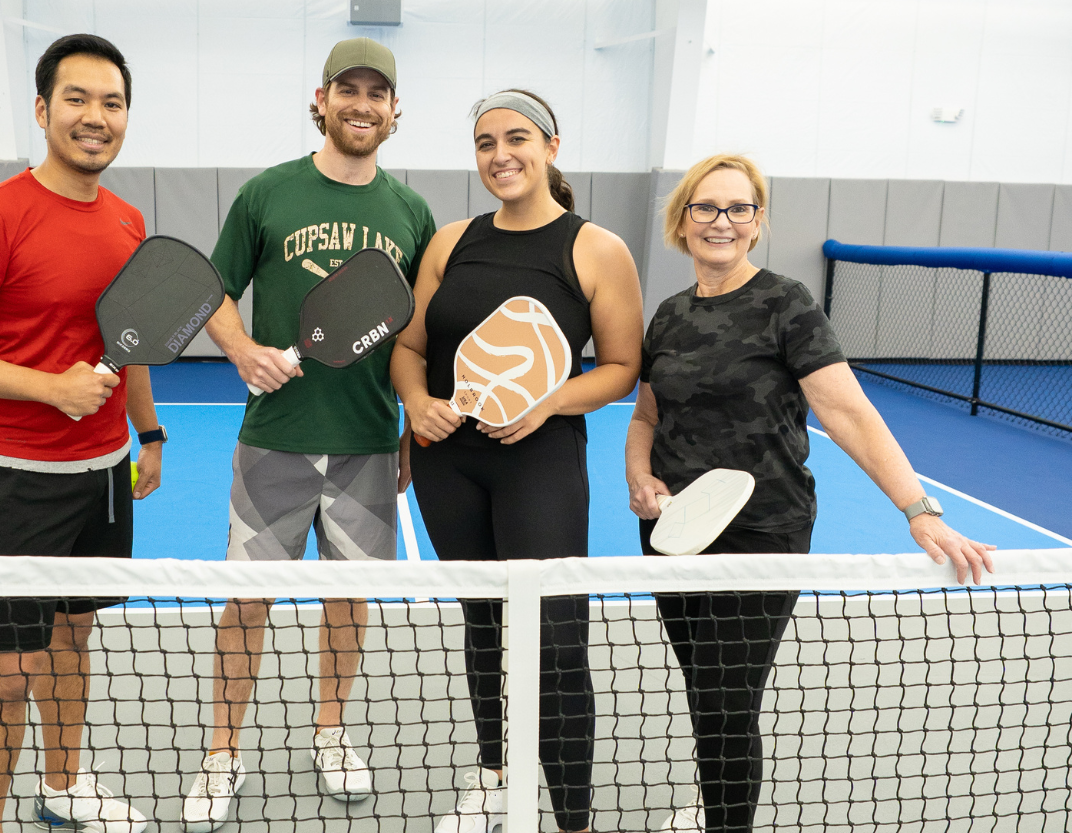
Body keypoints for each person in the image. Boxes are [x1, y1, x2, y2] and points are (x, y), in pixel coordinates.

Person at [625, 153, 996, 833]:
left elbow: (848, 411)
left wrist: (919, 510)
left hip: (764, 531)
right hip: (672, 534)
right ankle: (716, 799)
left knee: (725, 697)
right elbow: (646, 416)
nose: (721, 221)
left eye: (739, 208)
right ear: (682, 220)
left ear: (757, 223)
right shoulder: (669, 316)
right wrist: (637, 475)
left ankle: (724, 820)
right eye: (706, 207)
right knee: (705, 690)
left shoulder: (785, 303)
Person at [181, 37, 436, 833]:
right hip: (274, 439)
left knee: (349, 600)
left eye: (377, 93)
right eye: (347, 89)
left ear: (395, 113)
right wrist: (242, 348)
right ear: (320, 101)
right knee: (246, 603)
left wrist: (410, 428)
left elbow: (416, 332)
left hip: (366, 438)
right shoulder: (267, 195)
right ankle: (222, 750)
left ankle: (330, 730)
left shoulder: (410, 213)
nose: (362, 104)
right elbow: (211, 288)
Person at [0, 34, 157, 833]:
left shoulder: (126, 219)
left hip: (106, 472)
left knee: (73, 640)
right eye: (77, 99)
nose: (96, 117)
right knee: (10, 671)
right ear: (44, 110)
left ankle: (63, 785)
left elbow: (133, 339)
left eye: (112, 103)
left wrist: (147, 435)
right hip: (18, 477)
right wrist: (51, 389)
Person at [391, 90, 644, 833]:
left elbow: (623, 365)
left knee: (557, 638)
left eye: (516, 137)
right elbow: (409, 347)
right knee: (482, 622)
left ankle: (571, 816)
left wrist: (549, 402)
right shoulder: (449, 241)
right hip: (448, 462)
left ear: (551, 146)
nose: (500, 154)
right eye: (484, 142)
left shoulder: (595, 248)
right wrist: (414, 403)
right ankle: (494, 777)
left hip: (539, 462)